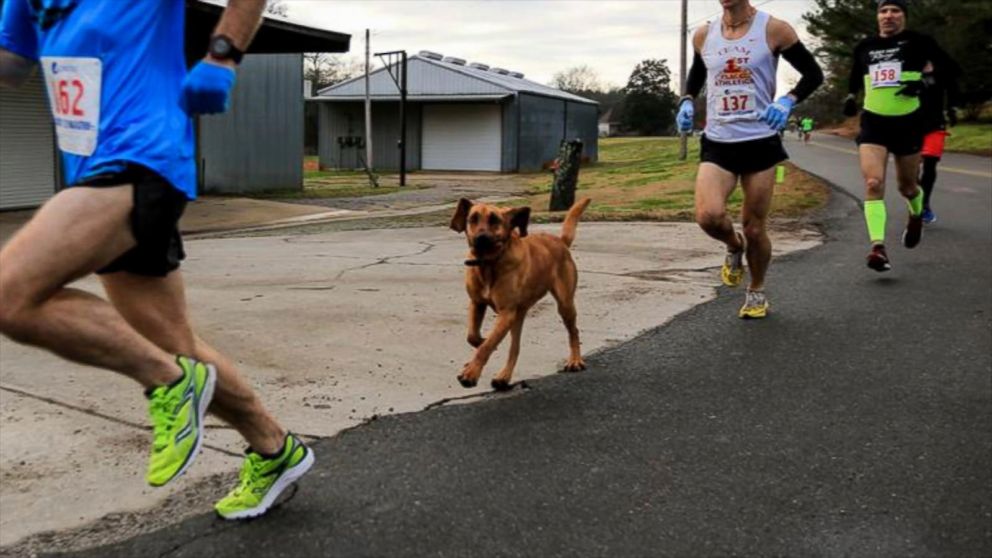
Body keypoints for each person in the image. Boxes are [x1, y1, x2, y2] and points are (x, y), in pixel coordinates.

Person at [0, 0, 313, 520]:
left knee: (10, 296)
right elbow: (12, 63)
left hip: (142, 156)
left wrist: (222, 55)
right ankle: (274, 449)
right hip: (92, 168)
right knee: (177, 345)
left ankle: (168, 383)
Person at [676, 0, 823, 318]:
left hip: (760, 141)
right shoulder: (703, 34)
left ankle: (756, 290)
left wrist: (788, 100)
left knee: (755, 228)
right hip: (718, 141)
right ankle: (733, 245)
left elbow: (813, 74)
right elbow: (699, 73)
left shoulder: (774, 29)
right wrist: (687, 100)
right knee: (708, 216)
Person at [842, 0, 956, 271]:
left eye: (895, 11)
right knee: (872, 182)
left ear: (903, 16)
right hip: (874, 123)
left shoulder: (919, 42)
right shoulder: (865, 46)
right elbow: (856, 75)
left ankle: (916, 214)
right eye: (883, 11)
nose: (888, 16)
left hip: (908, 122)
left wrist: (924, 82)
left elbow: (946, 71)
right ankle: (877, 248)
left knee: (907, 187)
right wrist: (849, 96)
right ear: (877, 17)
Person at [917, 59, 962, 224]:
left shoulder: (941, 71)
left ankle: (924, 203)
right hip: (910, 125)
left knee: (930, 164)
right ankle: (914, 198)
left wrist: (952, 109)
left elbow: (953, 90)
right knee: (911, 169)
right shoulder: (908, 70)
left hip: (935, 124)